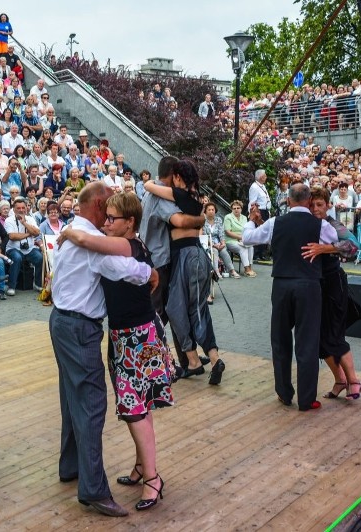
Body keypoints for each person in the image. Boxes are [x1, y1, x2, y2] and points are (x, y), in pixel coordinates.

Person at [57, 192, 172, 512]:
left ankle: (152, 477)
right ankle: (141, 467)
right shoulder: (118, 240)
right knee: (138, 404)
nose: (106, 223)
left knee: (135, 406)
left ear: (130, 222)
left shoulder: (124, 244)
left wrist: (70, 231)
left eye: (113, 218)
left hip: (138, 338)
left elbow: (93, 245)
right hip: (129, 336)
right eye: (105, 216)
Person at [242, 183, 338, 411]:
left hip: (282, 283)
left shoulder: (277, 222)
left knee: (280, 340)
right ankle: (307, 399)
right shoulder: (320, 224)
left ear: (289, 200)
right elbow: (335, 238)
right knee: (307, 342)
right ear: (307, 201)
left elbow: (248, 238)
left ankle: (284, 392)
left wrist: (250, 219)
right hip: (309, 285)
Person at [143, 158, 222, 382]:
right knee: (162, 314)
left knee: (177, 310)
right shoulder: (163, 194)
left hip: (165, 258)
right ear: (173, 175)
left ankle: (189, 360)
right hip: (162, 261)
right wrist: (201, 218)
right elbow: (179, 220)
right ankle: (157, 362)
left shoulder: (155, 192)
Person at [301, 188, 361, 402]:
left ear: (328, 205)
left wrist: (324, 249)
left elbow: (354, 245)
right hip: (313, 286)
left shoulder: (333, 225)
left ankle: (354, 380)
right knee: (318, 338)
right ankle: (340, 380)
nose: (316, 209)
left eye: (320, 204)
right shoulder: (306, 224)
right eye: (312, 205)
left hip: (334, 284)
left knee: (334, 335)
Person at [3, 197, 42, 296]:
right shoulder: (9, 220)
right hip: (13, 248)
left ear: (26, 208)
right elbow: (12, 236)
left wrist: (24, 223)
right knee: (17, 258)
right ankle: (11, 286)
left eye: (23, 208)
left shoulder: (30, 219)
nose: (21, 210)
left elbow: (37, 233)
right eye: (18, 208)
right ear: (14, 209)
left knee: (40, 258)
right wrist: (29, 234)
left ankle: (37, 283)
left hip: (29, 249)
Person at [223, 200, 256, 277]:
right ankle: (246, 269)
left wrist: (244, 237)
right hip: (230, 241)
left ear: (241, 209)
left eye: (238, 208)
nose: (236, 209)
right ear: (232, 209)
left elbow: (246, 230)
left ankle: (250, 267)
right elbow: (228, 232)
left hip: (242, 240)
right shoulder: (228, 217)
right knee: (243, 248)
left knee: (251, 247)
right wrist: (240, 237)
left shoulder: (244, 218)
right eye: (234, 208)